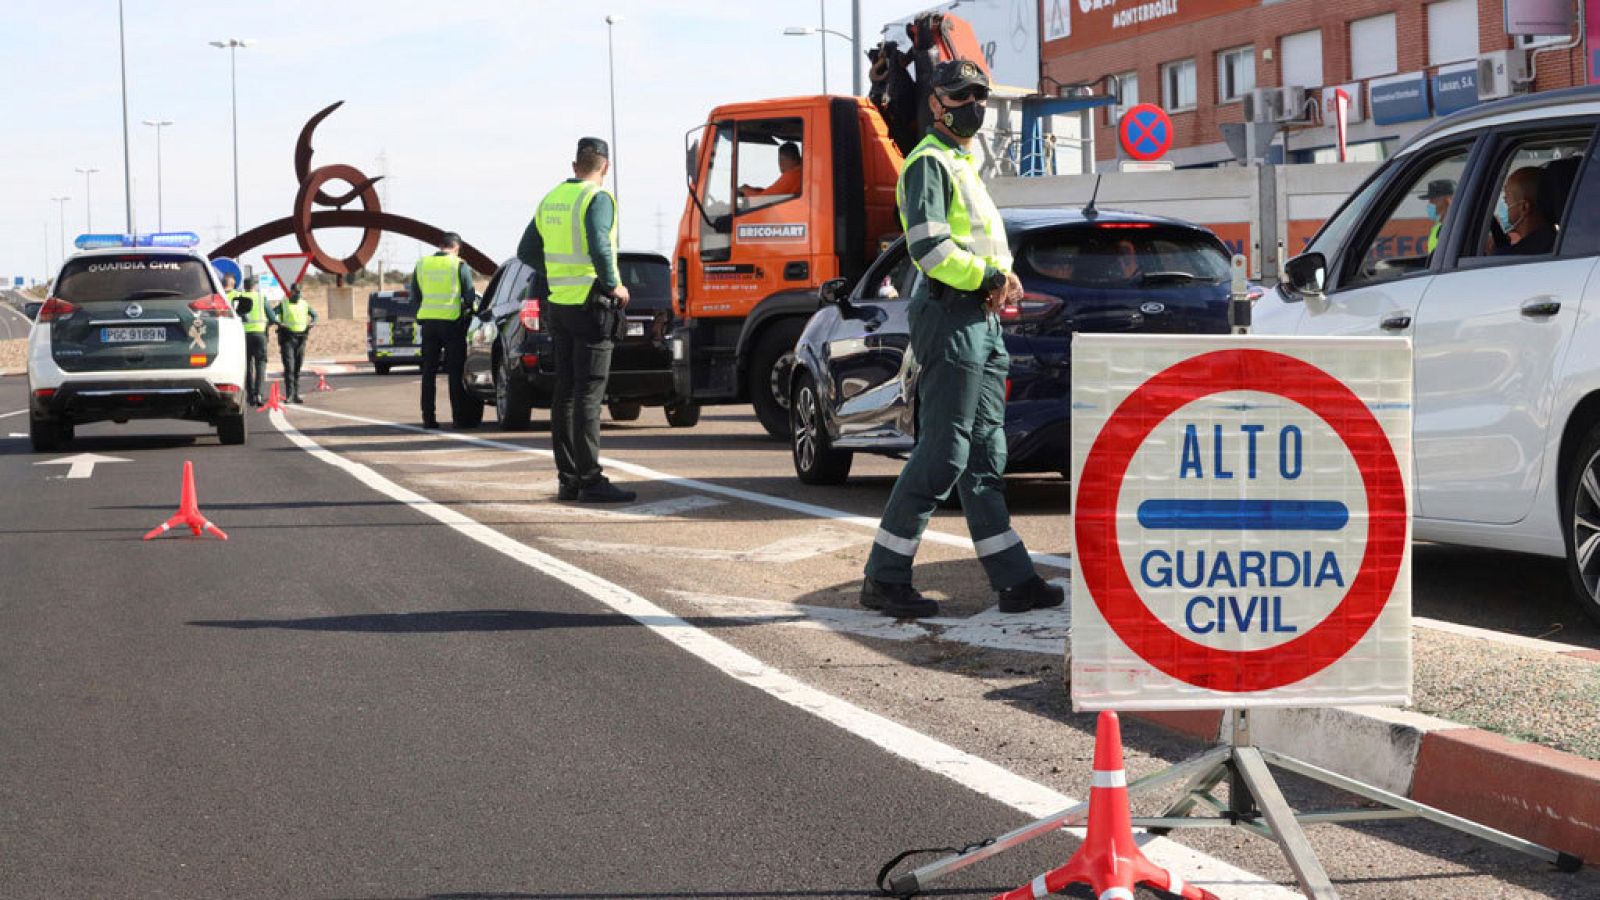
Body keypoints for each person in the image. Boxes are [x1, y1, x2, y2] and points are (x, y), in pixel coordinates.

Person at [860, 60, 1064, 619]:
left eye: (979, 94)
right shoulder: (928, 163)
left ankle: (1015, 580)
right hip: (952, 316)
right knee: (945, 453)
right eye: (961, 95)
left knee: (983, 455)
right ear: (936, 104)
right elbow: (929, 250)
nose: (973, 103)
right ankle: (884, 576)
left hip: (981, 317)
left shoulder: (961, 163)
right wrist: (990, 278)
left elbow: (975, 246)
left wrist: (1002, 278)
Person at [517, 136, 636, 503]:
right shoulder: (597, 198)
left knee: (565, 392)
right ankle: (591, 479)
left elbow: (526, 251)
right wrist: (613, 285)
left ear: (574, 166)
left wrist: (555, 272)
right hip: (590, 302)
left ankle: (568, 478)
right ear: (606, 167)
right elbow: (600, 243)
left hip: (561, 304)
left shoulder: (551, 198)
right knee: (589, 393)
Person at [407, 232, 480, 429]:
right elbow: (470, 296)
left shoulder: (422, 264)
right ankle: (458, 418)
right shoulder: (458, 265)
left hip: (429, 324)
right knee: (455, 372)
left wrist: (421, 315)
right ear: (457, 248)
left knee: (428, 371)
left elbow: (414, 295)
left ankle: (428, 419)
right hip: (452, 323)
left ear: (441, 246)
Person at [226, 274, 269, 407]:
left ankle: (250, 396)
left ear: (244, 287)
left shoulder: (239, 297)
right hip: (260, 334)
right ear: (255, 286)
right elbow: (272, 316)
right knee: (260, 365)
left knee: (247, 365)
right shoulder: (261, 298)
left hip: (244, 335)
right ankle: (259, 394)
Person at [1494, 166, 1557, 256]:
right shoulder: (1561, 244)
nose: (1504, 200)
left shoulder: (1508, 257)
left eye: (1506, 199)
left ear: (1524, 207)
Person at [271, 285, 318, 403]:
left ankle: (296, 394)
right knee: (289, 367)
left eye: (299, 292)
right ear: (291, 292)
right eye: (296, 292)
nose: (298, 294)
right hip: (287, 339)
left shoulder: (304, 304)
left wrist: (313, 323)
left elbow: (315, 315)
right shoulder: (284, 304)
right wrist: (278, 323)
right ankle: (290, 394)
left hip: (301, 339)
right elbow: (272, 314)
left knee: (297, 367)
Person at [1420, 179, 1454, 253]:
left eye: (1433, 200)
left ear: (1447, 200)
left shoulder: (1457, 228)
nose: (1429, 204)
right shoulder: (1436, 229)